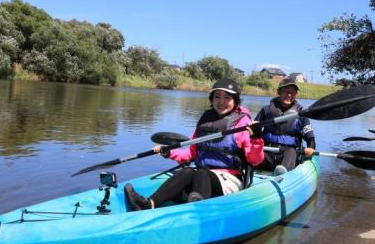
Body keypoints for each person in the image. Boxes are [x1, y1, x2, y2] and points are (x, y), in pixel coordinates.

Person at [124, 78, 265, 211]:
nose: (221, 102)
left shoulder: (243, 123)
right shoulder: (206, 119)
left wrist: (256, 138)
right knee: (187, 171)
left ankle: (198, 211)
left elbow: (256, 160)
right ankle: (150, 203)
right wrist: (168, 152)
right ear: (212, 99)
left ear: (235, 101)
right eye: (217, 96)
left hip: (229, 179)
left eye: (227, 97)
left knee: (202, 173)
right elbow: (191, 153)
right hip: (201, 174)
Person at [254, 77, 315, 175]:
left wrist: (311, 148)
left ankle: (283, 173)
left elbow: (310, 136)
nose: (289, 95)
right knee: (253, 155)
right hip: (267, 151)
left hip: (288, 153)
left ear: (296, 94)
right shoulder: (266, 110)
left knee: (291, 152)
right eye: (286, 91)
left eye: (292, 92)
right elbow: (254, 130)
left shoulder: (301, 114)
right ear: (279, 92)